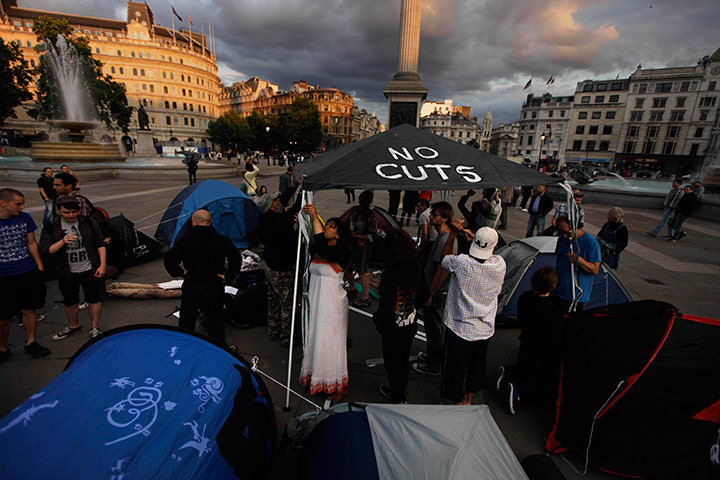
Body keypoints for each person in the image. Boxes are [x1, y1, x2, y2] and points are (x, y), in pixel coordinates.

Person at [439, 222, 506, 405]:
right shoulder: (500, 264)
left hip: (460, 326)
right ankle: (468, 398)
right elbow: (486, 254)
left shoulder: (462, 262)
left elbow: (444, 258)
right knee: (477, 364)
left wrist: (453, 235)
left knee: (454, 366)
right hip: (484, 327)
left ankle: (454, 399)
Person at [299, 204, 352, 401]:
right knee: (316, 340)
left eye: (330, 226)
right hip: (317, 302)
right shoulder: (320, 250)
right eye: (327, 225)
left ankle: (336, 382)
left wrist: (315, 217)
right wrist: (302, 224)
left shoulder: (341, 251)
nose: (327, 228)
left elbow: (320, 243)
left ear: (338, 234)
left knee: (331, 344)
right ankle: (318, 378)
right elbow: (310, 243)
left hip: (332, 306)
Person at [164, 209, 241, 345]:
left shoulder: (185, 240)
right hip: (214, 284)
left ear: (196, 222)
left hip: (192, 284)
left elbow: (169, 260)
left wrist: (181, 272)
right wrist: (227, 275)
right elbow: (236, 258)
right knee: (215, 321)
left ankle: (184, 347)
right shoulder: (221, 240)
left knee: (187, 320)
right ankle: (218, 348)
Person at [371, 229, 429, 404]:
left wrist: (378, 321)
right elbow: (424, 296)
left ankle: (397, 397)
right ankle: (400, 392)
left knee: (392, 363)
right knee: (403, 361)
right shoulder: (415, 267)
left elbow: (387, 309)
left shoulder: (390, 275)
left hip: (393, 328)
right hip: (410, 323)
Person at [497, 267, 564, 414]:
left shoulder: (524, 298)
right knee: (547, 390)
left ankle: (508, 373)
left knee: (524, 368)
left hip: (526, 344)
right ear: (552, 286)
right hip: (542, 354)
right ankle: (518, 390)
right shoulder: (554, 313)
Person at [40, 195, 107, 340]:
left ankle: (95, 327)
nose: (71, 216)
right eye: (66, 213)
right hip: (67, 271)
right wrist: (62, 241)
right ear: (58, 211)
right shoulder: (52, 226)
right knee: (70, 300)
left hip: (89, 267)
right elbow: (47, 249)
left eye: (74, 212)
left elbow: (100, 244)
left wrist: (102, 265)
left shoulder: (88, 222)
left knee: (94, 299)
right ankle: (73, 325)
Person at [0, 188, 50, 361]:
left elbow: (31, 242)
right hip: (4, 275)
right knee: (3, 316)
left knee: (29, 309)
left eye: (23, 203)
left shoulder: (25, 218)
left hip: (27, 271)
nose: (22, 207)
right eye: (18, 204)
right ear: (3, 203)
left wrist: (39, 266)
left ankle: (31, 342)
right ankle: (2, 348)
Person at [413, 201, 457, 376]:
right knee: (433, 328)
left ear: (445, 218)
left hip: (437, 292)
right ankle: (432, 356)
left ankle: (434, 365)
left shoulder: (445, 240)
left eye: (435, 215)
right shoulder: (442, 237)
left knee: (435, 329)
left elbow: (441, 272)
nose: (430, 217)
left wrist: (430, 294)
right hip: (435, 290)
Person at [257, 181, 302, 347]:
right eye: (275, 201)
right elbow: (295, 207)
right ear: (272, 207)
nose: (279, 201)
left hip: (270, 266)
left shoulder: (265, 219)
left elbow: (283, 201)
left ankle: (273, 329)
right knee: (286, 304)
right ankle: (286, 337)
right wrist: (303, 190)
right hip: (282, 268)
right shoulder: (280, 221)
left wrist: (293, 187)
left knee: (273, 300)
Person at [552, 215, 601, 313]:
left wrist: (580, 260)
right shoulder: (562, 240)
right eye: (562, 233)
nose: (565, 236)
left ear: (575, 227)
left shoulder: (590, 242)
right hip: (557, 291)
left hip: (575, 296)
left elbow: (595, 270)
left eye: (567, 232)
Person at [345, 190, 378, 308]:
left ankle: (366, 298)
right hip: (351, 245)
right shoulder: (355, 211)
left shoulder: (370, 216)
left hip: (363, 247)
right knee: (347, 269)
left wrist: (358, 236)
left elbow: (373, 236)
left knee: (362, 272)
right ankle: (353, 288)